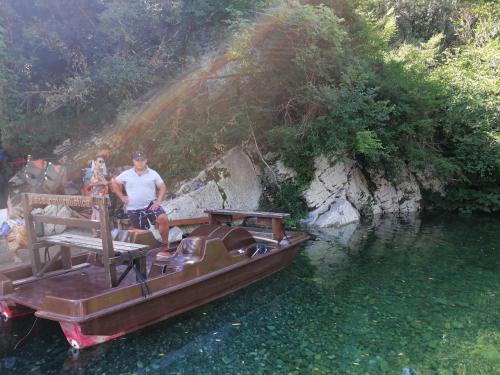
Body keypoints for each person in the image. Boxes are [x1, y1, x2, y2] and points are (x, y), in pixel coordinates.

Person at [112, 150, 170, 245]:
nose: (139, 162)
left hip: (150, 205)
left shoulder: (153, 173)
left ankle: (165, 244)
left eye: (142, 160)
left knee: (163, 218)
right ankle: (150, 249)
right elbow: (114, 183)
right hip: (133, 208)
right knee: (142, 234)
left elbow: (162, 186)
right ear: (133, 161)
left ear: (146, 160)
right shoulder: (126, 174)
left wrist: (158, 201)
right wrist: (122, 196)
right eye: (137, 160)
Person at [89, 154, 110, 236]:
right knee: (97, 213)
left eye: (102, 161)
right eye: (99, 161)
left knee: (95, 213)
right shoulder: (96, 171)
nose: (101, 163)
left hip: (97, 193)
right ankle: (98, 231)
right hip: (97, 194)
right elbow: (93, 182)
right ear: (95, 162)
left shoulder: (98, 170)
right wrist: (104, 182)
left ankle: (95, 232)